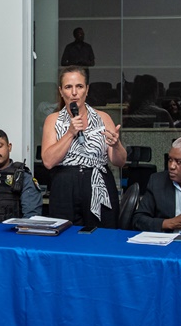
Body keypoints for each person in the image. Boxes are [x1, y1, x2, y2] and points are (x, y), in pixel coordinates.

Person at [41, 66, 126, 227]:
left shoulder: (103, 117)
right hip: (65, 186)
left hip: (98, 183)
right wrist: (70, 133)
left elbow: (120, 161)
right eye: (68, 87)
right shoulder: (53, 120)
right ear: (61, 91)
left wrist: (116, 145)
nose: (74, 92)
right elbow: (48, 161)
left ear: (86, 90)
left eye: (79, 86)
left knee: (101, 239)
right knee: (65, 241)